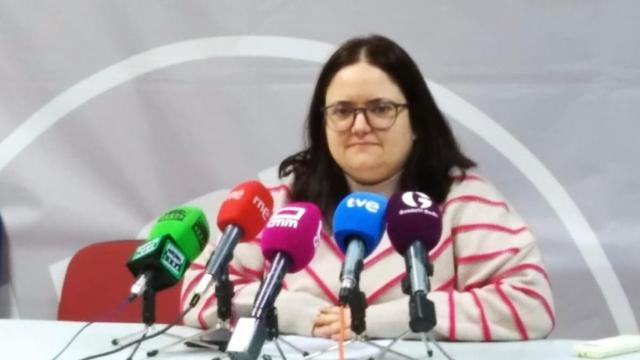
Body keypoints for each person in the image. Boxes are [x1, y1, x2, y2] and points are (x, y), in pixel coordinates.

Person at [181, 34, 555, 341]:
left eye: (380, 108)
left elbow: (530, 305)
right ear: (322, 123)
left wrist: (389, 320)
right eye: (342, 111)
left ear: (417, 120)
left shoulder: (461, 198)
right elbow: (198, 293)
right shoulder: (285, 200)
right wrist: (289, 312)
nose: (360, 126)